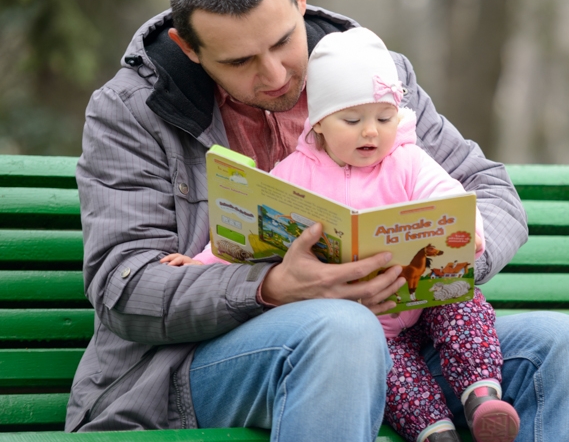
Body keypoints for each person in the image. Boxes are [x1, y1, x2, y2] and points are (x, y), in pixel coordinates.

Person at [69, 0, 569, 441]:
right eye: (240, 61)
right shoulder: (131, 112)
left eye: (283, 41)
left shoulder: (372, 76)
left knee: (564, 347)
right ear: (188, 48)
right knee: (342, 329)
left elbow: (490, 189)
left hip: (398, 339)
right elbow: (123, 288)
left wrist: (445, 255)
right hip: (195, 367)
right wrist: (271, 286)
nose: (275, 74)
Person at [164, 28, 520, 442]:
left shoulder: (407, 161)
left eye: (384, 118)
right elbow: (253, 228)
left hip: (424, 299)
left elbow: (447, 194)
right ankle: (436, 432)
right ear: (319, 123)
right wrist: (201, 262)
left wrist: (467, 228)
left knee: (463, 304)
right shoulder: (296, 173)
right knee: (390, 372)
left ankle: (482, 396)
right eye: (352, 120)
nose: (371, 132)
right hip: (370, 324)